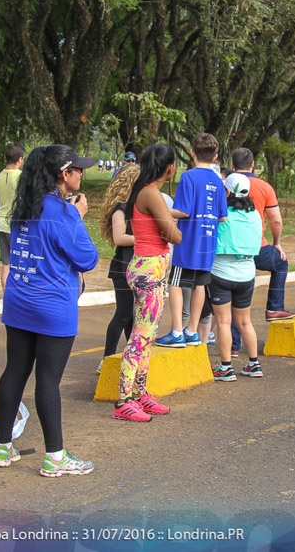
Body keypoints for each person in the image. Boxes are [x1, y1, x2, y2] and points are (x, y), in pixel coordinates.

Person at [0, 145, 98, 477]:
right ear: (64, 175)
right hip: (53, 307)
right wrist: (77, 217)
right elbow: (88, 259)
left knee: (14, 372)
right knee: (48, 380)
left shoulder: (26, 207)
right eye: (78, 169)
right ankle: (55, 457)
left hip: (19, 301)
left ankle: (3, 447)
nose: (82, 174)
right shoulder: (65, 214)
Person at [114, 144, 181, 421]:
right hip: (148, 270)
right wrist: (175, 226)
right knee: (140, 338)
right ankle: (123, 401)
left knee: (147, 337)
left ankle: (140, 395)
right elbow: (173, 235)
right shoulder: (151, 194)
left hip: (150, 268)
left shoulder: (145, 191)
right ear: (168, 167)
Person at [156, 134, 226, 348]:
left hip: (188, 243)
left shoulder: (188, 177)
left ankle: (177, 331)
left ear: (192, 153)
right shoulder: (218, 181)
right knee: (200, 284)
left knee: (175, 283)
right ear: (215, 156)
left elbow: (183, 211)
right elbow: (223, 216)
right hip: (208, 243)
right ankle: (192, 331)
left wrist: (162, 211)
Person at [231, 148, 295, 321]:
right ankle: (274, 308)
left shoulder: (225, 184)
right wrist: (276, 243)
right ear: (253, 165)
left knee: (232, 297)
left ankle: (233, 346)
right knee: (281, 264)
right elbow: (276, 221)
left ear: (232, 165)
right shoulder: (264, 187)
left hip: (227, 247)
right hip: (256, 246)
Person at [209, 173, 264, 382]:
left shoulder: (222, 213)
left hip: (221, 272)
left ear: (227, 191)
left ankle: (226, 367)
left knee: (223, 321)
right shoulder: (255, 215)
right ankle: (254, 363)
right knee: (245, 321)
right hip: (247, 273)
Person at [98, 164, 140, 372]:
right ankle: (106, 359)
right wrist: (146, 238)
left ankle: (132, 356)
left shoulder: (133, 207)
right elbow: (119, 237)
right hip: (123, 267)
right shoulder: (121, 208)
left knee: (131, 315)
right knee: (123, 314)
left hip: (133, 266)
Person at [0, 143, 24, 289]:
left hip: (1, 222)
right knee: (20, 262)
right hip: (17, 224)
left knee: (6, 263)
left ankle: (6, 294)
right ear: (20, 159)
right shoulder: (21, 177)